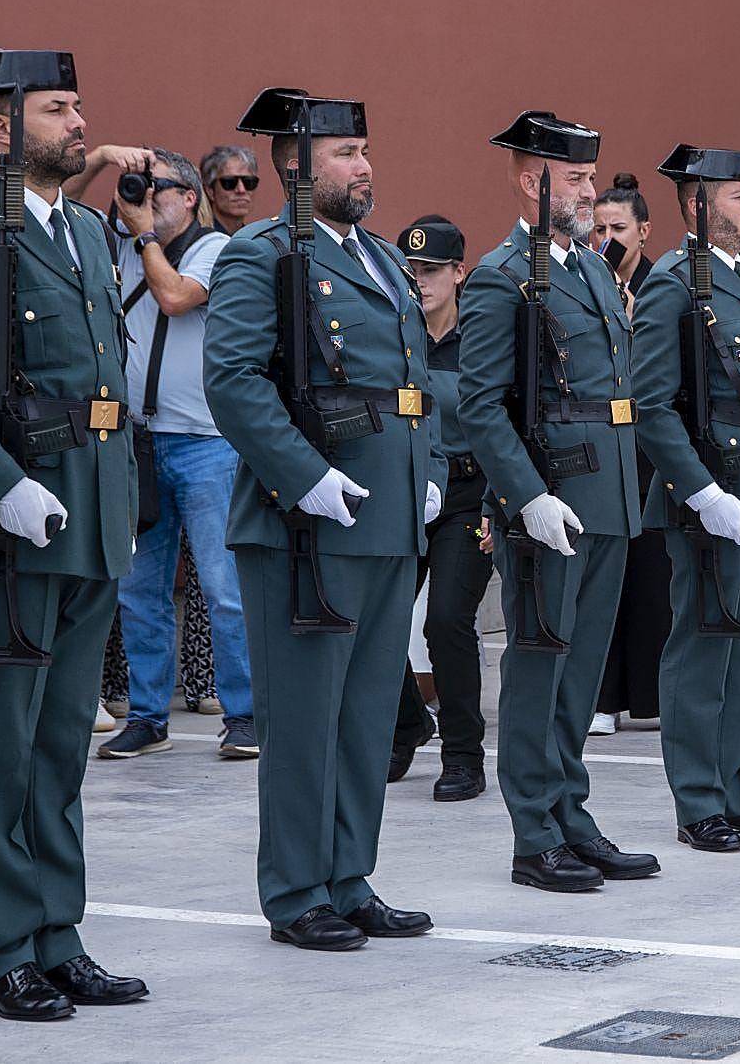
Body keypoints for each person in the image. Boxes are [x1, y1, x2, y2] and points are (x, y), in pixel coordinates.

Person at [205, 87, 443, 952]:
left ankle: (349, 875)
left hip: (387, 520)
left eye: (366, 150)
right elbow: (232, 380)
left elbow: (416, 384)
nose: (364, 165)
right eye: (346, 153)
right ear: (296, 165)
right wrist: (304, 478)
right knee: (305, 720)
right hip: (306, 526)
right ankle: (297, 889)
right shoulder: (259, 255)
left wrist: (434, 469)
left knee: (367, 714)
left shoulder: (380, 256)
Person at [0, 43, 144, 1019]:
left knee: (61, 746)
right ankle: (3, 952)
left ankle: (59, 936)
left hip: (92, 518)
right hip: (5, 529)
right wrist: (0, 484)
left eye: (77, 104)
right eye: (60, 109)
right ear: (3, 128)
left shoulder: (94, 237)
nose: (80, 123)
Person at [457, 110, 659, 890]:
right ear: (531, 179)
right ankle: (533, 831)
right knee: (541, 665)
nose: (587, 192)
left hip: (606, 493)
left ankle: (572, 815)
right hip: (553, 496)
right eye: (574, 179)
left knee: (580, 671)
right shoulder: (505, 276)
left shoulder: (584, 269)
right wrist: (527, 495)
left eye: (587, 177)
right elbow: (481, 405)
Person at [633, 143, 740, 851]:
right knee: (705, 644)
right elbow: (651, 404)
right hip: (719, 485)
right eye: (739, 195)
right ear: (700, 205)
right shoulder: (676, 283)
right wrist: (700, 489)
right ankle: (698, 798)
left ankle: (737, 783)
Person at [101, 146, 256, 762]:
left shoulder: (217, 249)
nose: (143, 199)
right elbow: (64, 190)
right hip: (138, 442)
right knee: (140, 589)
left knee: (224, 588)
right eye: (136, 189)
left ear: (190, 197)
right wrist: (107, 158)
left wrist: (143, 240)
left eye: (157, 189)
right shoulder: (125, 239)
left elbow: (173, 298)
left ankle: (244, 715)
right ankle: (147, 714)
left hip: (206, 444)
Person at [387, 215, 496, 801]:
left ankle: (463, 756)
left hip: (467, 497)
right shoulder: (390, 332)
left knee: (446, 621)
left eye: (432, 271)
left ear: (459, 272)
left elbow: (497, 422)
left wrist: (492, 505)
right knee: (372, 621)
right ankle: (406, 726)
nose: (420, 281)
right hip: (401, 493)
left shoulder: (480, 337)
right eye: (411, 271)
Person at [591, 172, 664, 732]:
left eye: (618, 228)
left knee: (650, 569)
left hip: (647, 437)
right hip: (600, 435)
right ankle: (602, 697)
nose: (607, 238)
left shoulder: (658, 283)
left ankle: (649, 693)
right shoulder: (585, 277)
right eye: (598, 228)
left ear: (643, 232)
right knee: (604, 567)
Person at [200, 145, 261, 236]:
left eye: (249, 182)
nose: (241, 190)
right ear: (210, 191)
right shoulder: (201, 240)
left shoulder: (253, 239)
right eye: (230, 182)